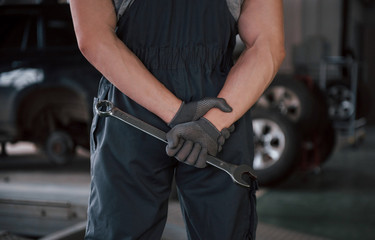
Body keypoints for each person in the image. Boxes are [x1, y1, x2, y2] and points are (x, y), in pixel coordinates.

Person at [70, 0, 285, 239]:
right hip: (209, 112)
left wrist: (203, 122)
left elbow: (94, 36)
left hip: (178, 113)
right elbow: (266, 44)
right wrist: (206, 124)